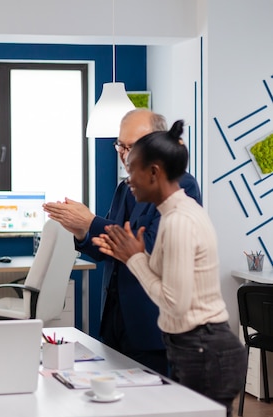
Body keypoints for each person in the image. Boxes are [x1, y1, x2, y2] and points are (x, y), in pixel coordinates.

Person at [92, 120, 247, 416]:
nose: (128, 180)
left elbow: (174, 303)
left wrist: (134, 258)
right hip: (194, 346)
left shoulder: (178, 222)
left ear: (154, 172)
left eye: (132, 170)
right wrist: (136, 256)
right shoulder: (173, 213)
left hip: (204, 350)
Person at [43, 109, 201, 376]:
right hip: (116, 321)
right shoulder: (124, 188)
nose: (125, 154)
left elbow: (151, 247)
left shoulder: (180, 185)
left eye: (133, 146)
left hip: (154, 325)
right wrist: (81, 231)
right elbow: (106, 249)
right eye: (121, 145)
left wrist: (91, 222)